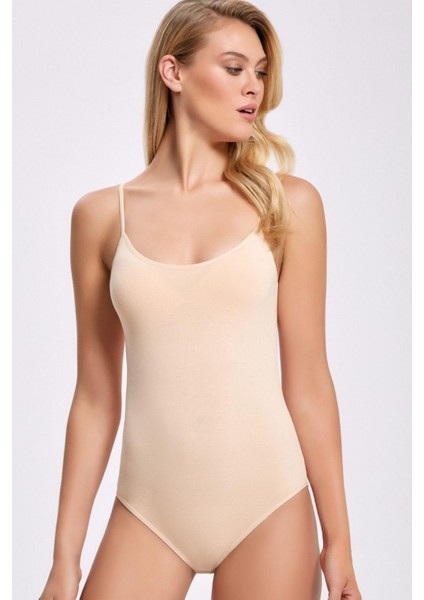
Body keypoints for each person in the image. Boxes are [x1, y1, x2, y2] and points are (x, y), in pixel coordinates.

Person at [38, 1, 362, 599]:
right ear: (174, 72)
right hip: (147, 512)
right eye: (235, 68)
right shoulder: (101, 217)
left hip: (269, 504)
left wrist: (338, 540)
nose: (253, 88)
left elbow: (310, 381)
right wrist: (65, 559)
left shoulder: (287, 205)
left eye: (260, 72)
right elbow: (95, 398)